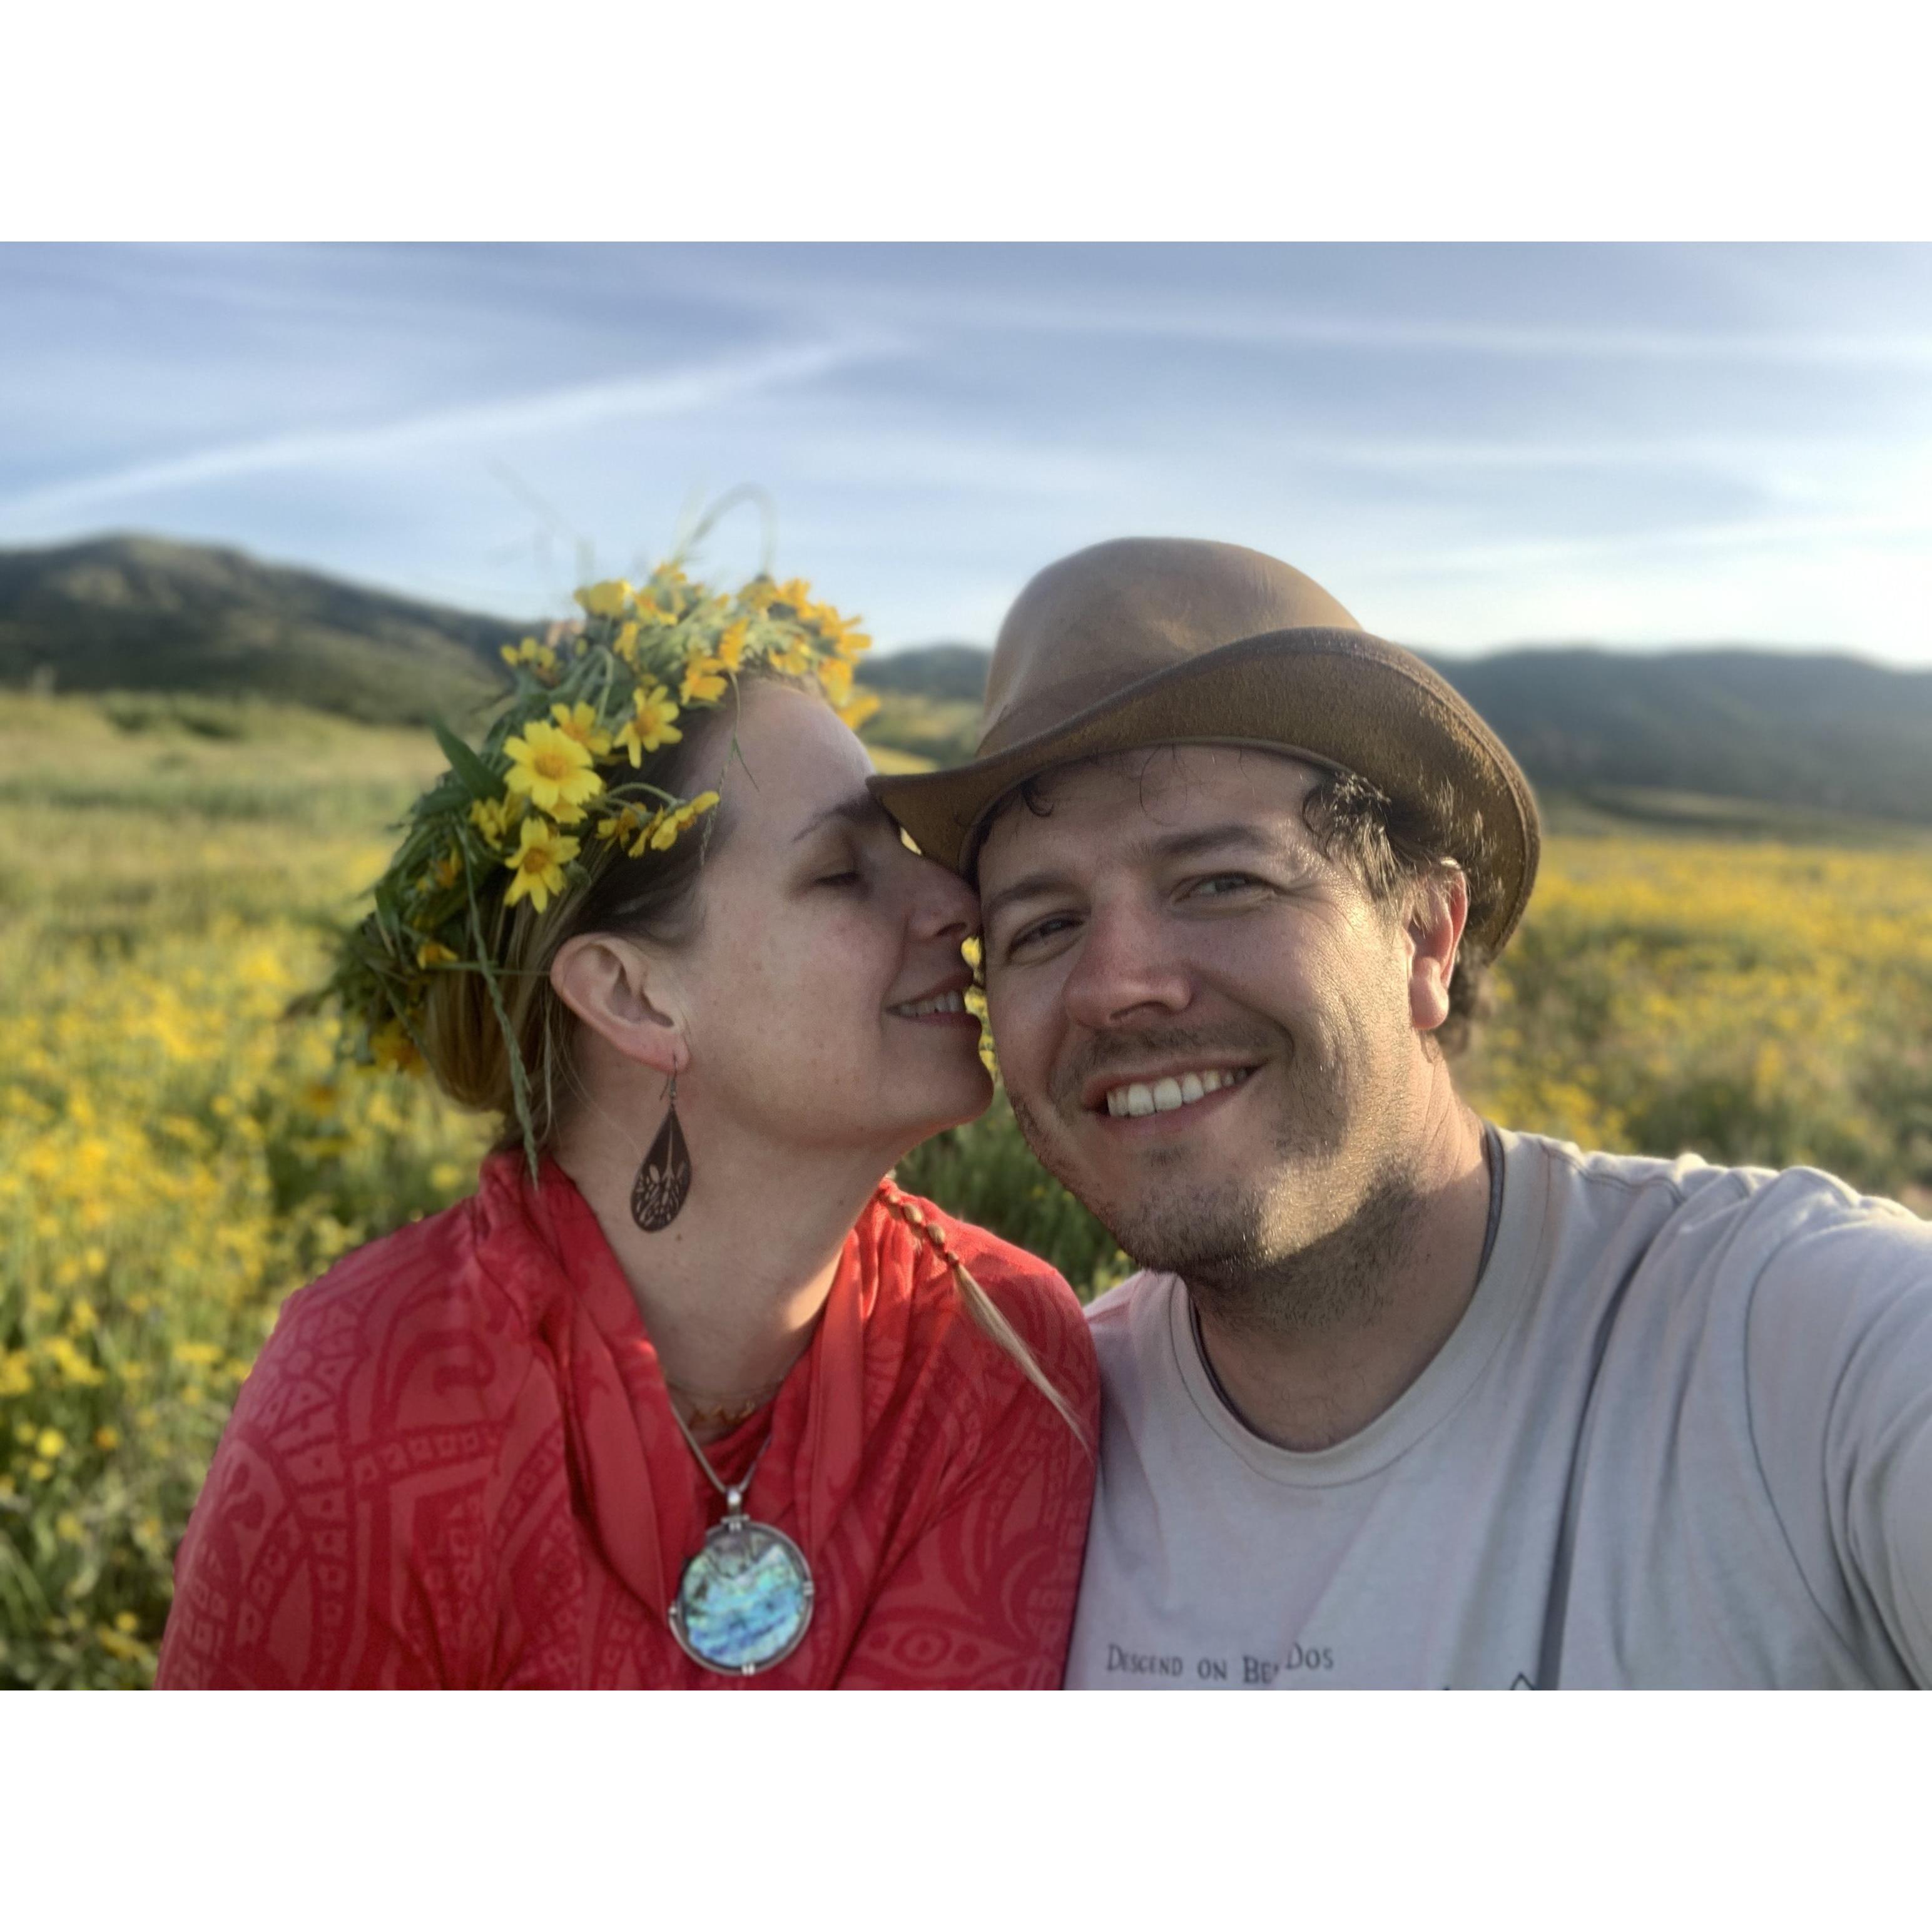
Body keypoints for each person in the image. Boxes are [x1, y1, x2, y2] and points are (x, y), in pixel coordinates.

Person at [872, 536, 1932, 1689]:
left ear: (1428, 938)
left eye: (1223, 881)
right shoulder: (1024, 1451)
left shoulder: (1797, 1345)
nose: (1117, 982)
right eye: (1042, 926)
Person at [157, 566, 1097, 1689]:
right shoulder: (363, 1404)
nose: (956, 902)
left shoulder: (1002, 1354)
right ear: (632, 996)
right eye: (844, 871)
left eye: (909, 848)